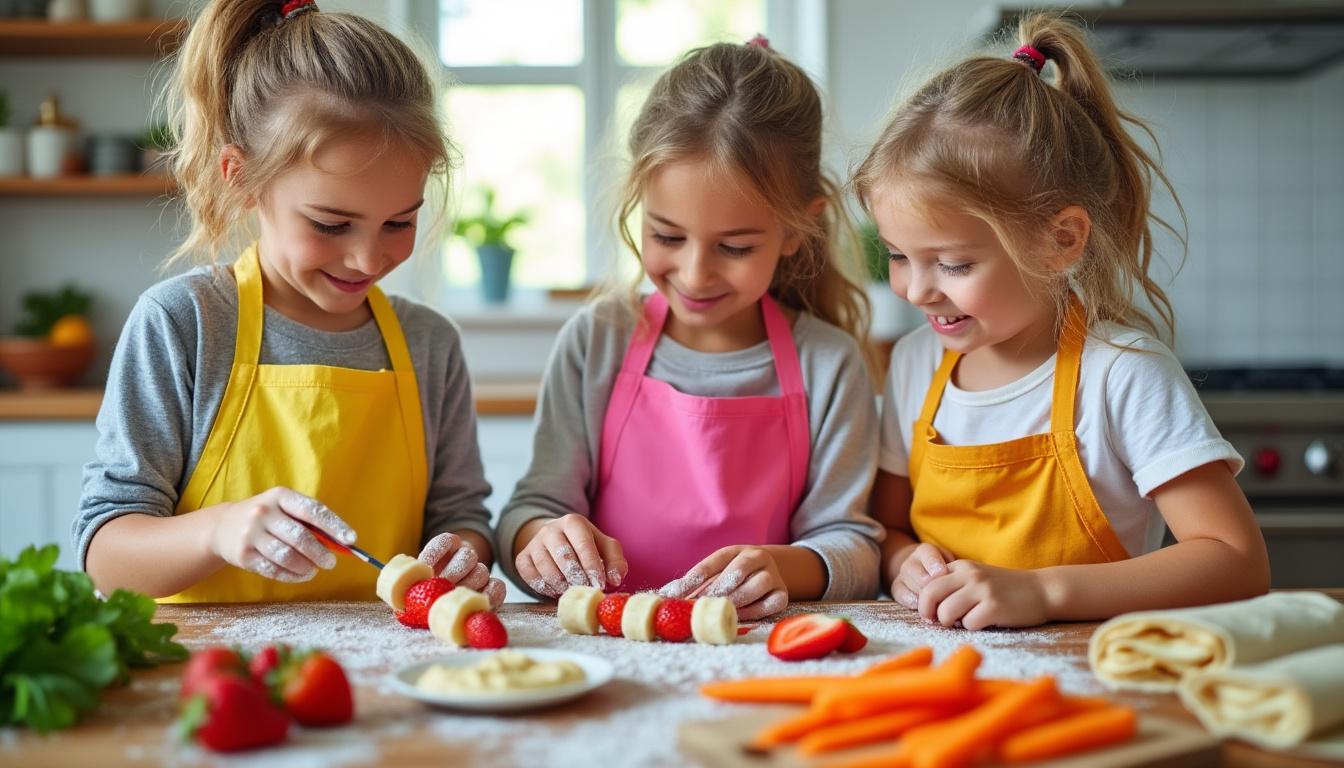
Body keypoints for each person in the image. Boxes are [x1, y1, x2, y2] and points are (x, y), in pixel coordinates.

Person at [75, 0, 505, 607]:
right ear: (240, 176)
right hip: (209, 663)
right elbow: (107, 559)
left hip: (384, 663)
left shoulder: (429, 343)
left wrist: (461, 556)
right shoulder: (184, 323)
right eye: (331, 224)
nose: (368, 259)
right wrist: (218, 531)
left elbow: (462, 520)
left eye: (399, 222)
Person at [855, 12, 1269, 630]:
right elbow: (888, 526)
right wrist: (902, 560)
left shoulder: (1122, 375)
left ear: (1062, 240)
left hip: (1094, 668)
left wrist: (1044, 592)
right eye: (897, 256)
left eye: (953, 264)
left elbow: (1236, 561)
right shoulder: (917, 363)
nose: (917, 290)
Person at [495, 37, 885, 620]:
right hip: (605, 642)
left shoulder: (828, 363)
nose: (695, 273)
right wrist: (541, 539)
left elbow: (855, 550)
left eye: (735, 246)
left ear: (795, 231)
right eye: (667, 236)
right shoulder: (597, 340)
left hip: (755, 647)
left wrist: (779, 567)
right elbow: (528, 512)